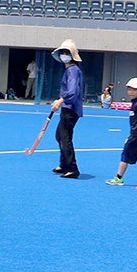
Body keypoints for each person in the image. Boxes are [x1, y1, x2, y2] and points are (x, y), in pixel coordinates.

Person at [49, 39, 84, 178]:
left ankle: (72, 168)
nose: (64, 55)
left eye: (66, 52)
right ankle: (64, 164)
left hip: (71, 108)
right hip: (68, 107)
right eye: (62, 52)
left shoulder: (73, 70)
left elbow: (72, 90)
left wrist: (61, 100)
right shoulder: (71, 70)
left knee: (65, 137)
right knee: (60, 135)